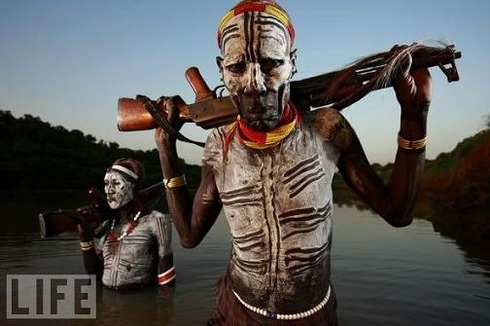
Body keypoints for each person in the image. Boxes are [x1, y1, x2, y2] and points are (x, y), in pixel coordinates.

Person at [154, 0, 431, 324]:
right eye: (238, 67)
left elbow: (398, 213)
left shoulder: (328, 129)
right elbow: (188, 236)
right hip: (236, 310)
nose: (254, 84)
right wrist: (165, 147)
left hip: (312, 316)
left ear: (292, 64)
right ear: (221, 70)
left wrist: (415, 117)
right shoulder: (219, 144)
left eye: (271, 63)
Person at [78, 157, 176, 290]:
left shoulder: (156, 221)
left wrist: (162, 308)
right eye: (106, 183)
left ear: (135, 187)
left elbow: (167, 281)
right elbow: (94, 275)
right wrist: (85, 238)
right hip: (108, 305)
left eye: (116, 183)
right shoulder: (108, 224)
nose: (109, 190)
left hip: (141, 303)